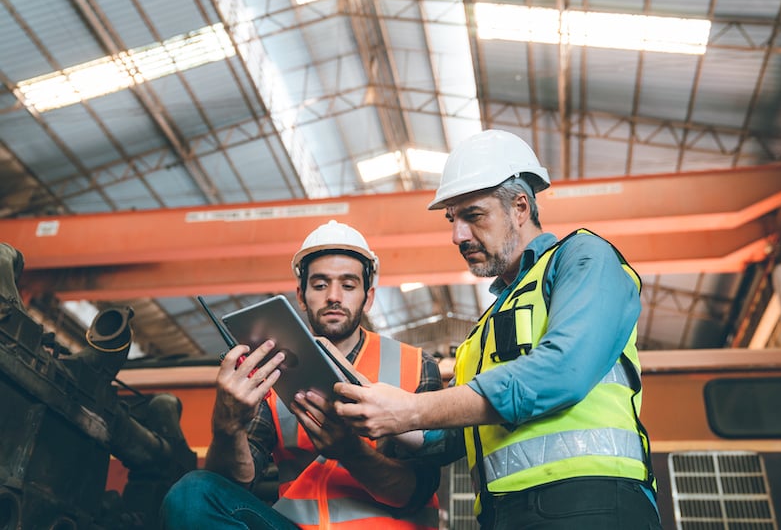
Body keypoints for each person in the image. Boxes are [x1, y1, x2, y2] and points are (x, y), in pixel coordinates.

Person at [334, 129, 662, 529]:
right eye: (453, 220)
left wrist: (411, 409)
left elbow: (562, 372)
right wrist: (372, 407)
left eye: (473, 216)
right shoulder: (482, 329)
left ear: (520, 207)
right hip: (504, 515)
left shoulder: (584, 257)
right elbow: (457, 434)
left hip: (592, 504)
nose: (457, 235)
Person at [160, 220, 443, 529]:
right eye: (320, 284)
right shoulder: (267, 372)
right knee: (192, 493)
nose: (334, 296)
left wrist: (351, 452)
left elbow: (417, 490)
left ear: (369, 296)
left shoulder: (415, 364)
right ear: (300, 294)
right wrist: (227, 426)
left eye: (348, 285)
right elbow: (234, 486)